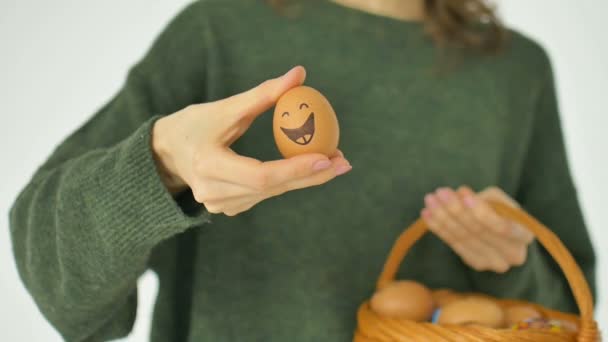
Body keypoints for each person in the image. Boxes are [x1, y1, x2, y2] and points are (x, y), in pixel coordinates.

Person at [9, 0, 597, 341]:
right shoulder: (219, 32)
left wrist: (514, 267)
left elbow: (576, 306)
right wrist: (159, 163)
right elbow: (57, 283)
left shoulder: (515, 72)